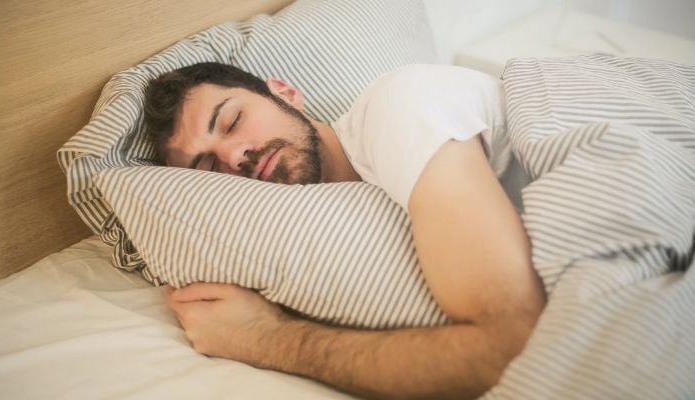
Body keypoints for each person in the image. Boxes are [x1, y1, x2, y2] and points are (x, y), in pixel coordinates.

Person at [144, 62, 546, 400]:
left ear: (284, 93)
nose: (234, 156)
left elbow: (514, 347)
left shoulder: (398, 109)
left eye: (232, 121)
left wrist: (263, 338)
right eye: (209, 168)